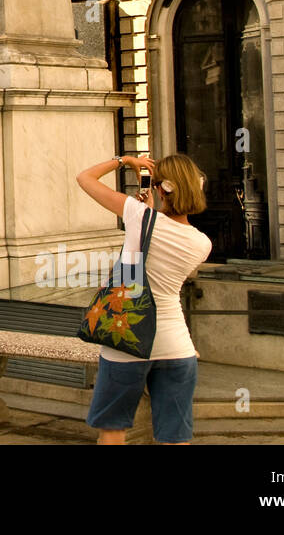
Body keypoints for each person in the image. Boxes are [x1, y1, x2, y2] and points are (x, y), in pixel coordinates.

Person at [76, 153, 213, 445]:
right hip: (177, 347)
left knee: (113, 429)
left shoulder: (138, 216)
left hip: (127, 340)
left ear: (162, 188)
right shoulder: (203, 243)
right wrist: (152, 204)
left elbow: (85, 178)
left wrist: (124, 160)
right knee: (174, 436)